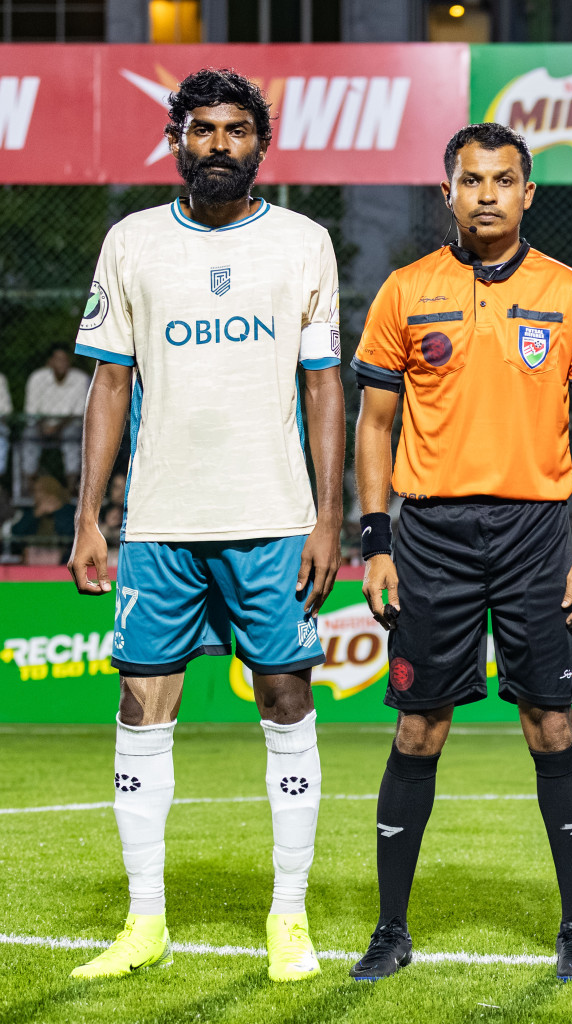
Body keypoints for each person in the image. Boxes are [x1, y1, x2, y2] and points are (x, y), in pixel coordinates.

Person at [65, 69, 344, 983]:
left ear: (260, 144)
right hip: (159, 522)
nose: (218, 144)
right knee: (142, 710)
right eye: (201, 130)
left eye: (235, 130)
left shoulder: (304, 243)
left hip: (272, 521)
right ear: (176, 138)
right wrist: (89, 518)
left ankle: (289, 916)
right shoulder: (132, 242)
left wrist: (328, 516)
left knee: (286, 703)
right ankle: (145, 923)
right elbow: (109, 382)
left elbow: (323, 388)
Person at [347, 124, 572, 982]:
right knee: (420, 727)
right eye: (473, 180)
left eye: (505, 179)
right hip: (428, 536)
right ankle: (391, 927)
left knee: (552, 724)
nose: (489, 193)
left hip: (539, 533)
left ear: (529, 193)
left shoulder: (569, 293)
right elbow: (375, 426)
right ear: (448, 192)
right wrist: (376, 539)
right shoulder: (405, 290)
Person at [21, 344, 91, 489]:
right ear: (50, 361)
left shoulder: (81, 379)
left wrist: (56, 427)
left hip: (69, 425)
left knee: (72, 435)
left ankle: (72, 486)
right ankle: (29, 485)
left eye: (64, 359)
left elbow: (79, 414)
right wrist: (43, 426)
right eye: (57, 359)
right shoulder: (37, 378)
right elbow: (31, 411)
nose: (62, 363)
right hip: (41, 425)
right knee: (29, 434)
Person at [14, 475, 76, 559]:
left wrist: (57, 511)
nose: (35, 495)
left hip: (64, 560)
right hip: (34, 558)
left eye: (38, 491)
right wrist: (35, 515)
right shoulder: (32, 512)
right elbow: (16, 533)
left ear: (50, 492)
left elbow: (69, 536)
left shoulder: (69, 511)